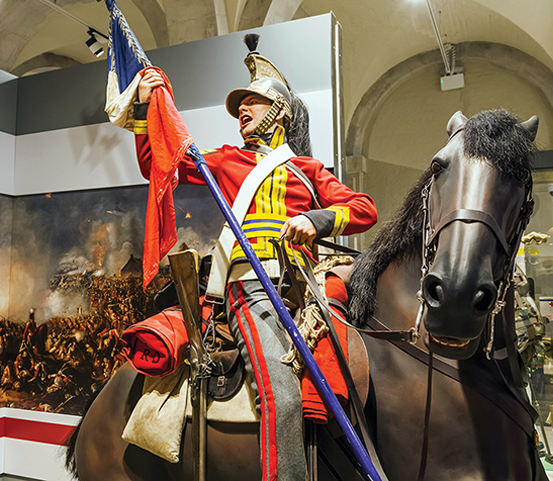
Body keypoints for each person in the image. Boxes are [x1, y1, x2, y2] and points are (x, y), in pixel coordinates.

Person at [133, 35, 377, 481]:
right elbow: (159, 165)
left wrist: (317, 221)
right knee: (280, 394)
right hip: (249, 286)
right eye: (239, 106)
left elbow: (364, 209)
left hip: (305, 292)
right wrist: (144, 109)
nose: (242, 111)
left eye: (254, 102)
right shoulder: (224, 161)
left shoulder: (308, 170)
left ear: (280, 112)